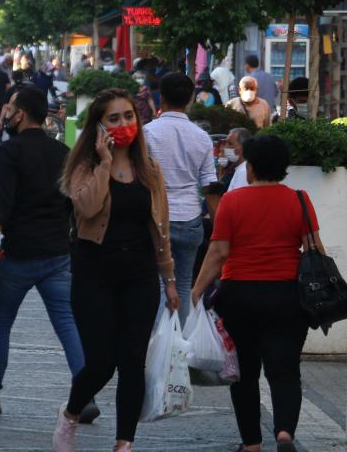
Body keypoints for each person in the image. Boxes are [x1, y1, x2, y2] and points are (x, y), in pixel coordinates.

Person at [55, 88, 178, 452]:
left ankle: (124, 443)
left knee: (132, 363)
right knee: (101, 364)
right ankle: (70, 413)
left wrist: (170, 279)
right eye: (114, 118)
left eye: (129, 116)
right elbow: (89, 209)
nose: (124, 124)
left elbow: (162, 228)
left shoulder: (150, 170)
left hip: (140, 276)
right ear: (98, 126)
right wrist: (105, 162)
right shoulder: (84, 168)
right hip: (95, 275)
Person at [0, 87, 98, 424]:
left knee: (0, 321)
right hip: (58, 253)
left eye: (10, 107)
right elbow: (74, 204)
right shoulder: (63, 151)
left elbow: (1, 207)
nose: (6, 113)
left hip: (18, 255)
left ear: (22, 114)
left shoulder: (10, 152)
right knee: (67, 323)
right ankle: (84, 396)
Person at [191, 135, 323, 452]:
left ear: (249, 167)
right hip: (288, 298)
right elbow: (315, 249)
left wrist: (196, 291)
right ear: (283, 168)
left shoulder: (233, 202)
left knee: (244, 374)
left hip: (239, 297)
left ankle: (251, 444)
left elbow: (218, 253)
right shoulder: (300, 200)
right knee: (285, 371)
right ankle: (284, 434)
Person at [143, 72, 218, 324]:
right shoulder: (202, 138)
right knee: (184, 282)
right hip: (190, 219)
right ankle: (178, 350)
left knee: (155, 284)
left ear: (160, 97)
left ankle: (154, 348)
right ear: (191, 98)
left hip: (155, 219)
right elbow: (209, 185)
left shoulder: (147, 133)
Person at [222, 127, 254, 193]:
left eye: (230, 144)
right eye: (226, 143)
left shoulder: (244, 171)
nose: (225, 147)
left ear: (242, 147)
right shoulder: (237, 168)